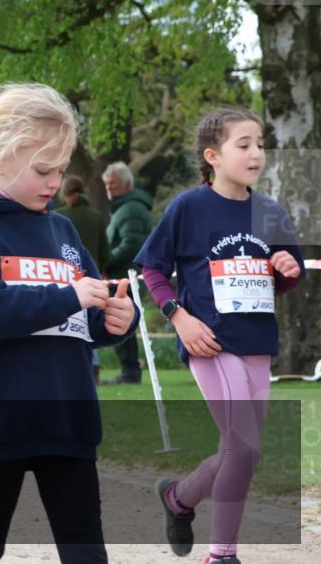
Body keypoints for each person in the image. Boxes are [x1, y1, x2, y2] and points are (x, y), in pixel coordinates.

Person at [0, 84, 140, 564]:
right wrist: (66, 297)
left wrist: (118, 319)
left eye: (61, 170)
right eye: (44, 170)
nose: (54, 182)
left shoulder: (62, 230)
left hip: (67, 416)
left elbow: (89, 312)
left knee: (85, 545)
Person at [135, 107, 304, 564]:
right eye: (243, 144)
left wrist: (286, 270)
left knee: (242, 452)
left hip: (257, 344)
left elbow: (283, 277)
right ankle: (222, 555)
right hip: (209, 342)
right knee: (243, 447)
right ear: (212, 156)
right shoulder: (189, 207)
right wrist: (178, 317)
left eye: (261, 144)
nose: (256, 153)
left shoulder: (269, 211)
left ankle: (178, 499)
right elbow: (152, 268)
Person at [102, 160, 153, 384]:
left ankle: (130, 372)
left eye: (113, 184)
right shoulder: (125, 208)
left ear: (126, 184)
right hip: (124, 274)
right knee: (122, 323)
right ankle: (129, 371)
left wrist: (106, 263)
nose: (109, 188)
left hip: (126, 276)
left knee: (121, 322)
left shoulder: (131, 208)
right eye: (107, 184)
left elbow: (132, 243)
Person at [55, 175, 110, 383]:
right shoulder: (96, 217)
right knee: (92, 319)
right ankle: (94, 369)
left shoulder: (59, 218)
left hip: (66, 280)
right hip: (93, 277)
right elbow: (105, 253)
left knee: (75, 322)